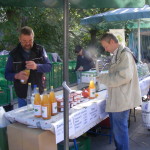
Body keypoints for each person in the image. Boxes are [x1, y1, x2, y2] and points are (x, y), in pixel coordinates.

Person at [97, 33, 141, 150]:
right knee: (117, 131)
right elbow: (116, 73)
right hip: (117, 99)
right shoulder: (118, 54)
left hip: (121, 100)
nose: (106, 50)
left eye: (106, 46)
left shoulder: (124, 54)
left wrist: (102, 78)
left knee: (120, 131)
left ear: (112, 42)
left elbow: (123, 77)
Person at [5, 26, 52, 108]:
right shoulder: (13, 54)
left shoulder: (40, 50)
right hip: (22, 95)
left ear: (33, 38)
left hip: (38, 94)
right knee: (23, 120)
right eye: (24, 41)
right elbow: (7, 74)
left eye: (30, 40)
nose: (27, 43)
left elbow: (49, 66)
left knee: (40, 116)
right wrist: (16, 75)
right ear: (19, 39)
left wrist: (37, 66)